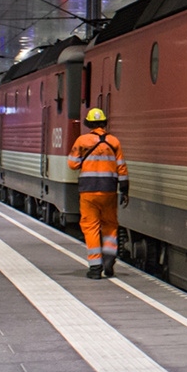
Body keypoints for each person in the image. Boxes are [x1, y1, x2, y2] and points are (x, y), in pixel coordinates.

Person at [67, 107, 129, 279]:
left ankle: (95, 268)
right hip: (109, 191)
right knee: (110, 225)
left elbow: (72, 164)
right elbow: (122, 168)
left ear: (89, 123)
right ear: (103, 123)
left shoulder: (82, 141)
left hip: (88, 192)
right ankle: (109, 259)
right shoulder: (114, 142)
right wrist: (124, 191)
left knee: (91, 227)